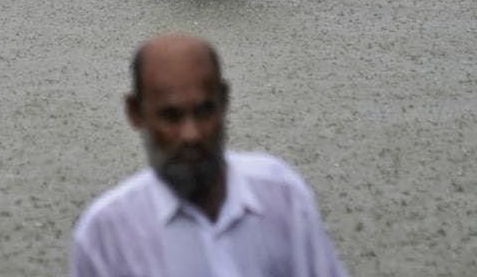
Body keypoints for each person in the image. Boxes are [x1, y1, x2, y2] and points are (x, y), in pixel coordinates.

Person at [70, 34, 346, 277]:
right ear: (136, 113)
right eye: (171, 116)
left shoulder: (283, 198)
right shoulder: (106, 235)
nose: (191, 135)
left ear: (224, 101)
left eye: (204, 112)